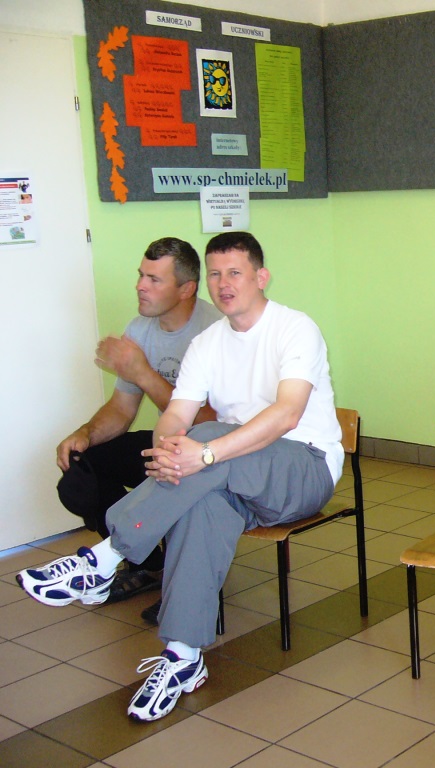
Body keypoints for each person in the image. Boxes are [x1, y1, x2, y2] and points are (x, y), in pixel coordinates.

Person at [19, 232, 344, 722]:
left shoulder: (295, 328)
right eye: (215, 274)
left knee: (207, 435)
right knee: (202, 506)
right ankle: (183, 657)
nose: (223, 283)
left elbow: (286, 415)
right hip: (235, 476)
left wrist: (204, 454)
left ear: (261, 277)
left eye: (235, 273)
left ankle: (105, 557)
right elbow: (176, 413)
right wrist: (169, 448)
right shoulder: (207, 343)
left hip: (303, 467)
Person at [55, 236, 220, 613]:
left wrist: (143, 373)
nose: (140, 286)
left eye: (154, 279)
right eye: (141, 275)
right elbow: (121, 408)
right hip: (169, 445)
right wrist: (85, 434)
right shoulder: (140, 329)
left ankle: (187, 586)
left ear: (186, 289)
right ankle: (147, 564)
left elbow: (213, 421)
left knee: (176, 474)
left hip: (212, 454)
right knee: (83, 469)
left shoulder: (216, 330)